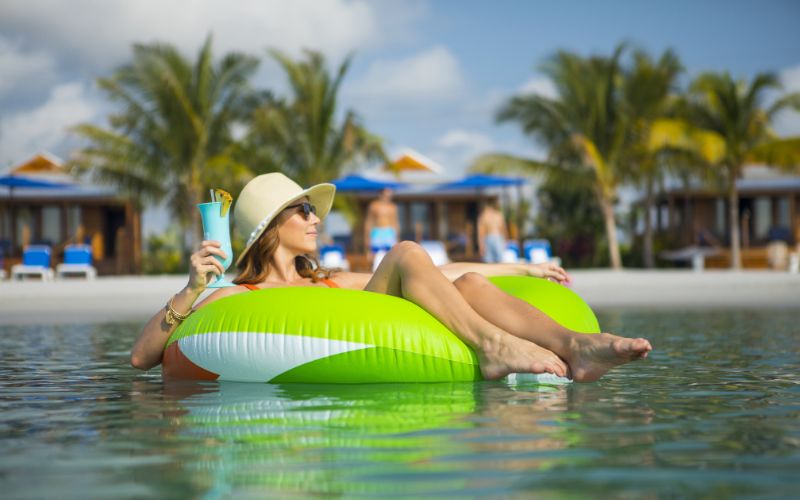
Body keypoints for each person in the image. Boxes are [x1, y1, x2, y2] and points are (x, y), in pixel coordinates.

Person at [131, 173, 652, 381]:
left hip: (365, 318)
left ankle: (576, 344)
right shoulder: (233, 292)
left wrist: (523, 267)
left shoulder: (327, 279)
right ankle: (493, 345)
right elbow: (140, 358)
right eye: (303, 212)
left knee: (465, 286)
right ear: (269, 229)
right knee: (404, 251)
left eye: (314, 211)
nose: (316, 219)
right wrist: (193, 288)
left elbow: (443, 272)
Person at [364, 187, 400, 258]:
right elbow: (369, 222)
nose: (387, 197)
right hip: (377, 233)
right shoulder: (374, 206)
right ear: (381, 194)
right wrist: (367, 238)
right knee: (374, 255)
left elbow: (395, 223)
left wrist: (397, 238)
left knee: (391, 256)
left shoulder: (392, 207)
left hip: (389, 233)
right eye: (385, 194)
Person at [477, 199, 508, 263]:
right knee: (499, 260)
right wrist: (505, 241)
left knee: (489, 262)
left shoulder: (483, 216)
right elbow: (504, 229)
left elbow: (480, 233)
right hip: (498, 237)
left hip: (489, 238)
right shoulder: (498, 215)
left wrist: (481, 246)